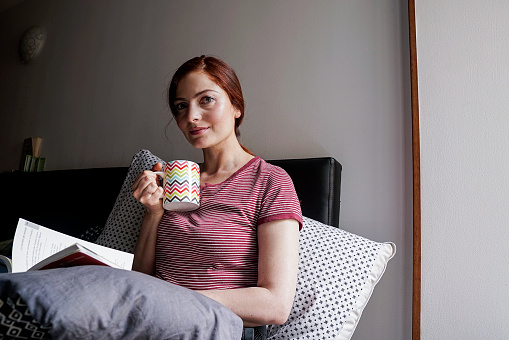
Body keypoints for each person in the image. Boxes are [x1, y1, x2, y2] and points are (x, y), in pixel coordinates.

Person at [131, 55, 302, 328]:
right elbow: (140, 278)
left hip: (211, 327)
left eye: (206, 99)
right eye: (181, 106)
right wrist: (153, 213)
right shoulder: (175, 180)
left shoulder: (270, 182)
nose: (192, 116)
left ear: (236, 106)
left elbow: (275, 305)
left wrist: (173, 301)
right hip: (149, 322)